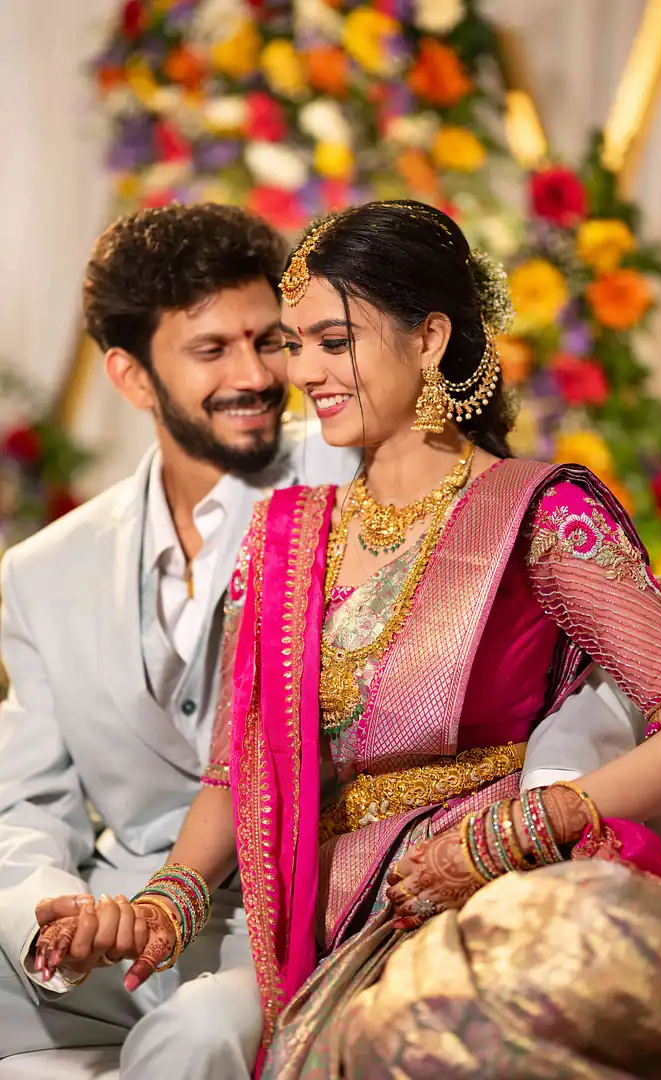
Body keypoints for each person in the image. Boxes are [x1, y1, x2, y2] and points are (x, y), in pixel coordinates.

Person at [35, 200, 661, 1079]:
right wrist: (166, 905)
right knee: (190, 1036)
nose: (303, 371)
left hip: (484, 898)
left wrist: (524, 826)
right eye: (296, 343)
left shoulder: (541, 513)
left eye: (334, 341)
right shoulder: (285, 535)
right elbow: (236, 766)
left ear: (429, 338)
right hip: (307, 917)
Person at [0, 203, 359, 1078]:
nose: (257, 374)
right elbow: (25, 806)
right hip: (115, 937)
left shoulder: (358, 476)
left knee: (196, 1036)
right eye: (213, 350)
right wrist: (55, 918)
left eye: (269, 340)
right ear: (132, 377)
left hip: (304, 918)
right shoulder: (43, 570)